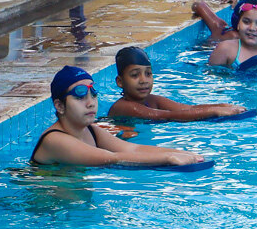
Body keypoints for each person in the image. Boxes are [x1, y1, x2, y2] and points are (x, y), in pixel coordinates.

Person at [30, 66, 213, 169]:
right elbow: (113, 158)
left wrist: (179, 152)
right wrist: (168, 158)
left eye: (93, 95)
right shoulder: (54, 140)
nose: (90, 102)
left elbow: (132, 149)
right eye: (79, 97)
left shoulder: (91, 131)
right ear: (60, 106)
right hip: (46, 214)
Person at [107, 47, 246, 122]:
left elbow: (186, 108)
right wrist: (213, 112)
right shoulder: (125, 107)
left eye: (148, 73)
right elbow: (166, 116)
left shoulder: (151, 99)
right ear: (120, 82)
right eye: (135, 75)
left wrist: (222, 106)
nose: (144, 80)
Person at [190, 2, 257, 71]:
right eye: (246, 22)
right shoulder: (225, 49)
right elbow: (211, 77)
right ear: (238, 24)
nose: (252, 28)